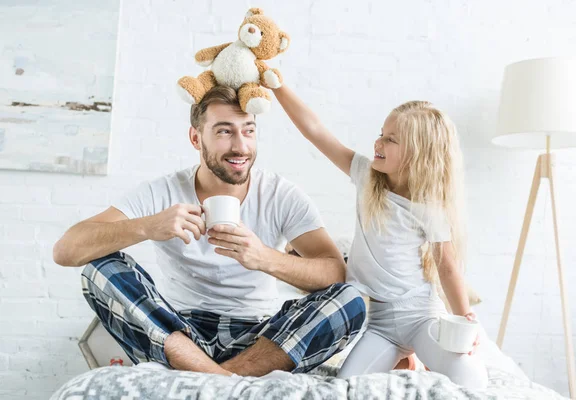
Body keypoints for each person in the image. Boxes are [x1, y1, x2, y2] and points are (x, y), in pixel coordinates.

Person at [53, 85, 366, 377]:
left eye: (248, 131)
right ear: (195, 138)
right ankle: (226, 382)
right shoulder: (162, 191)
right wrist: (149, 226)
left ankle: (208, 379)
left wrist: (264, 258)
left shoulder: (281, 195)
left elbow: (335, 273)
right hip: (178, 334)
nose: (240, 146)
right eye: (224, 131)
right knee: (99, 269)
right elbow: (66, 250)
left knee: (351, 299)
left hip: (260, 339)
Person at [272, 84, 488, 389]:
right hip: (380, 324)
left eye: (391, 139)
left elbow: (447, 266)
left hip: (420, 317)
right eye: (381, 133)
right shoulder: (365, 176)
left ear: (418, 154)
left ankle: (416, 357)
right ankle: (405, 362)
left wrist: (466, 318)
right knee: (348, 386)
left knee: (471, 379)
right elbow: (315, 131)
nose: (378, 142)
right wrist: (277, 86)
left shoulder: (429, 208)